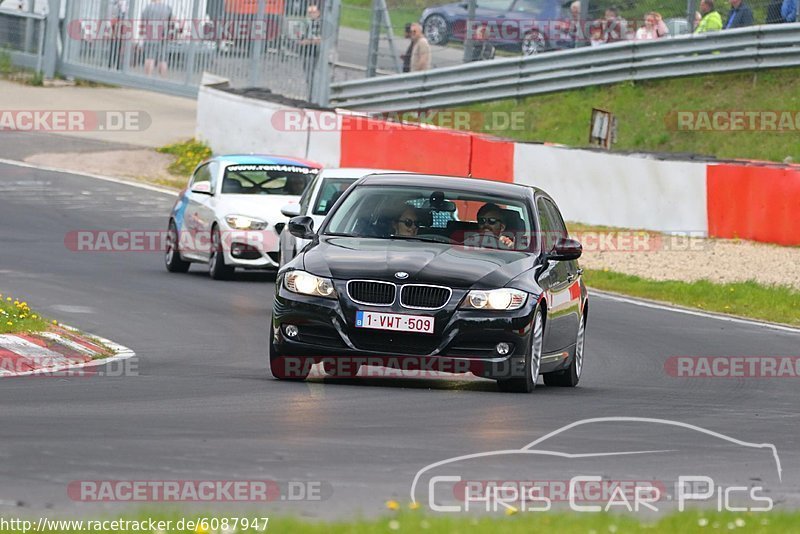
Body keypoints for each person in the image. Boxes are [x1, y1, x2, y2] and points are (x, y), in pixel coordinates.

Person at [141, 0, 172, 77]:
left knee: (149, 57)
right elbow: (171, 21)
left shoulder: (148, 8)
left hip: (150, 35)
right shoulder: (167, 8)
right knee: (163, 59)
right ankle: (163, 80)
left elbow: (143, 20)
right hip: (163, 36)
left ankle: (147, 78)